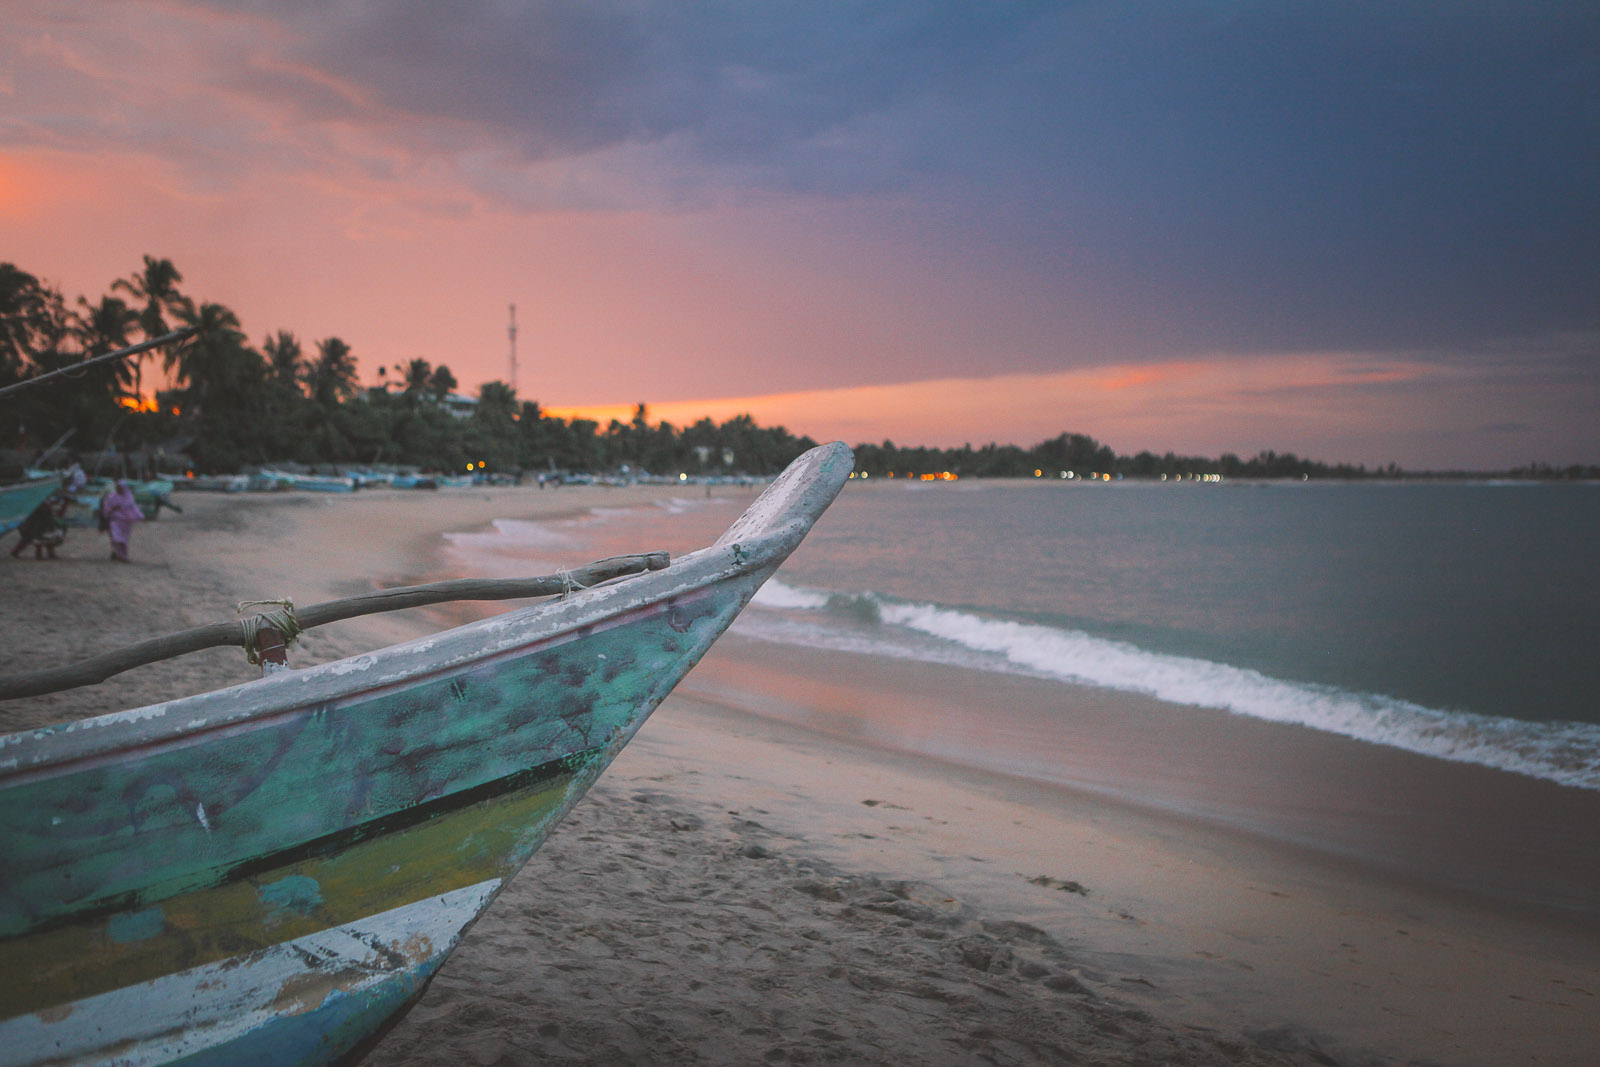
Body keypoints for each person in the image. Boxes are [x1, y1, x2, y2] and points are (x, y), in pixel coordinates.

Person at [9, 495, 68, 560]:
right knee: (36, 537)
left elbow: (56, 515)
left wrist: (63, 505)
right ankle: (40, 553)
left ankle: (48, 553)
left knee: (47, 535)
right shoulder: (39, 504)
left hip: (41, 524)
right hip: (33, 524)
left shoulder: (46, 503)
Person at [99, 479, 145, 562]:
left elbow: (134, 508)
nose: (118, 489)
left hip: (126, 522)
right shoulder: (112, 496)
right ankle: (118, 554)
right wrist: (113, 509)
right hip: (115, 520)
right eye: (117, 487)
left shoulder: (129, 497)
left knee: (124, 541)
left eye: (120, 488)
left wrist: (140, 516)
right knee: (116, 538)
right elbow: (106, 507)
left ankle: (123, 556)